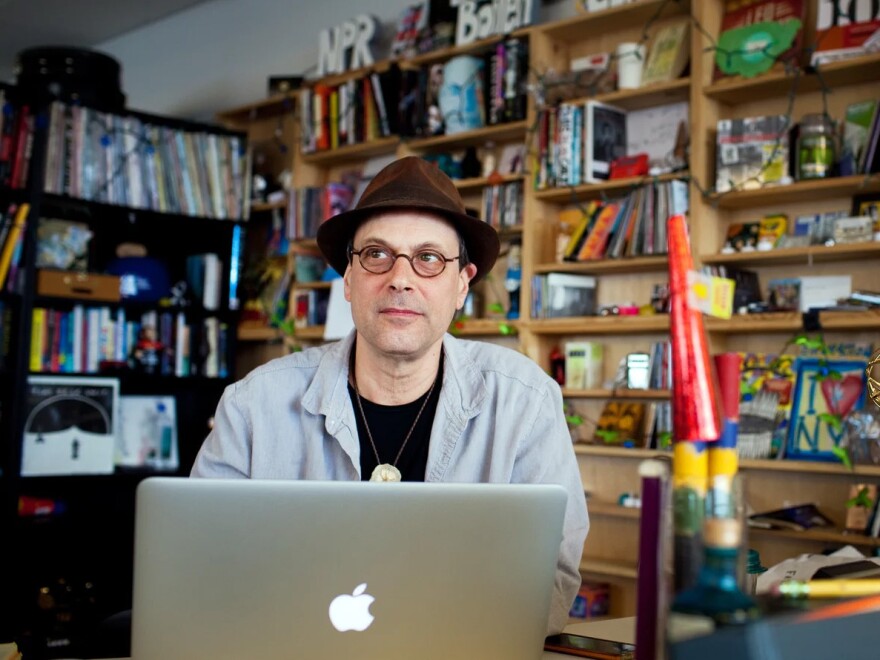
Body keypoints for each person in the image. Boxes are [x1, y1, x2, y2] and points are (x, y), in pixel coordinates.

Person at [190, 156, 589, 634]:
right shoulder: (252, 405)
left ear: (462, 284)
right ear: (348, 279)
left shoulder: (525, 403)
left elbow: (552, 581)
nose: (400, 278)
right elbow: (203, 568)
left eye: (428, 258)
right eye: (376, 255)